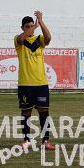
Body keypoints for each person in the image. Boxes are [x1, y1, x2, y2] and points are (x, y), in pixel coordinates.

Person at [14, 11, 54, 150]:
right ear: (22, 28)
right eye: (27, 26)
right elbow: (20, 39)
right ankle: (26, 140)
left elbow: (48, 38)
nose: (30, 28)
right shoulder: (19, 40)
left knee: (44, 111)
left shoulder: (39, 39)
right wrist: (33, 28)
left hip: (41, 82)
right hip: (25, 83)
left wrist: (41, 22)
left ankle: (46, 141)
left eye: (32, 25)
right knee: (26, 112)